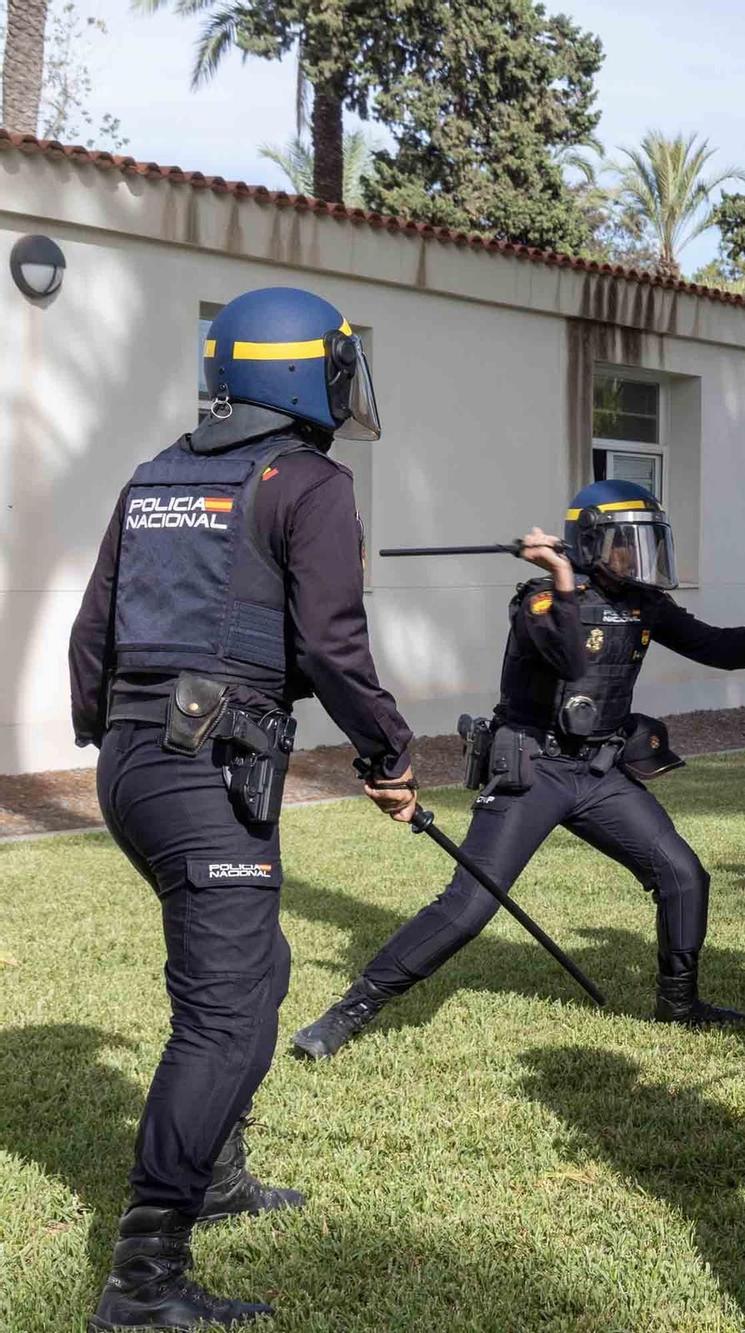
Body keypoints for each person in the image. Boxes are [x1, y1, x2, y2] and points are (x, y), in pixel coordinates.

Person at [67, 287, 419, 1329]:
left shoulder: (154, 478)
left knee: (259, 970)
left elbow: (93, 635)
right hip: (204, 770)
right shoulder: (309, 480)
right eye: (336, 363)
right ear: (299, 372)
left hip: (135, 765)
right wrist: (389, 752)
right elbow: (330, 645)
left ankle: (215, 1175)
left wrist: (120, 742)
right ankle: (143, 1277)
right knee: (223, 1021)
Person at [288, 482, 745, 1058]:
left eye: (643, 544)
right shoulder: (539, 601)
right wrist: (565, 580)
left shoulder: (645, 603)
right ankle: (351, 1011)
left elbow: (715, 646)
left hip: (598, 773)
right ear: (589, 543)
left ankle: (680, 1003)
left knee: (683, 874)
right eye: (622, 544)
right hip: (533, 769)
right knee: (470, 907)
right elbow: (572, 656)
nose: (633, 558)